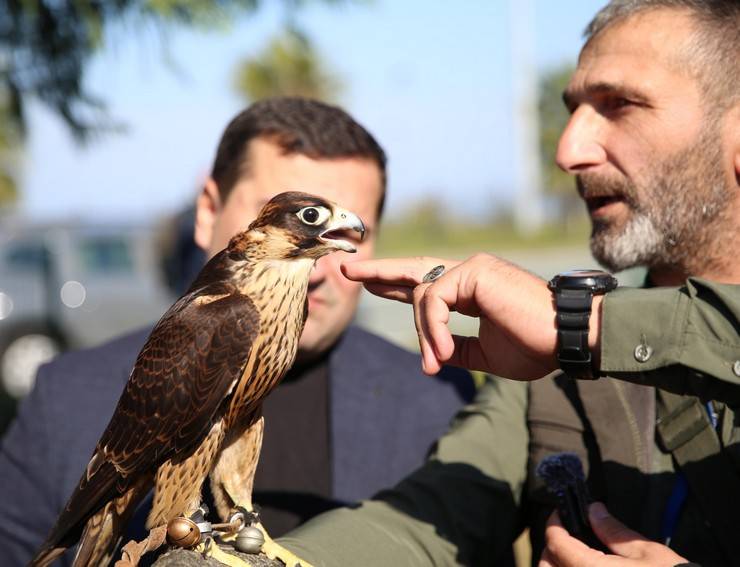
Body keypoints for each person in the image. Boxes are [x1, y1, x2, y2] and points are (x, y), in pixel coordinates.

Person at [274, 2, 740, 566]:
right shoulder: (543, 364)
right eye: (573, 110)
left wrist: (584, 324)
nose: (568, 151)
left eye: (620, 105)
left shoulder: (564, 332)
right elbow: (428, 520)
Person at [0, 97, 474, 566]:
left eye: (353, 233)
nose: (329, 264)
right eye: (309, 218)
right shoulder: (69, 391)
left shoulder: (438, 393)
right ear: (209, 211)